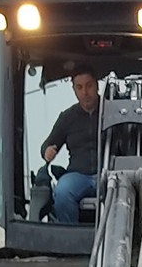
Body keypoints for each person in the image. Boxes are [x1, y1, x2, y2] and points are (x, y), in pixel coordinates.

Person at [41, 66, 100, 224]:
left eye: (89, 86)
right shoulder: (67, 117)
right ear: (74, 90)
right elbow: (49, 143)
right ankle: (70, 237)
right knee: (62, 191)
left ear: (97, 85)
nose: (85, 92)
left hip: (108, 174)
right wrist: (47, 151)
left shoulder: (112, 111)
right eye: (79, 87)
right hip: (79, 175)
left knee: (124, 191)